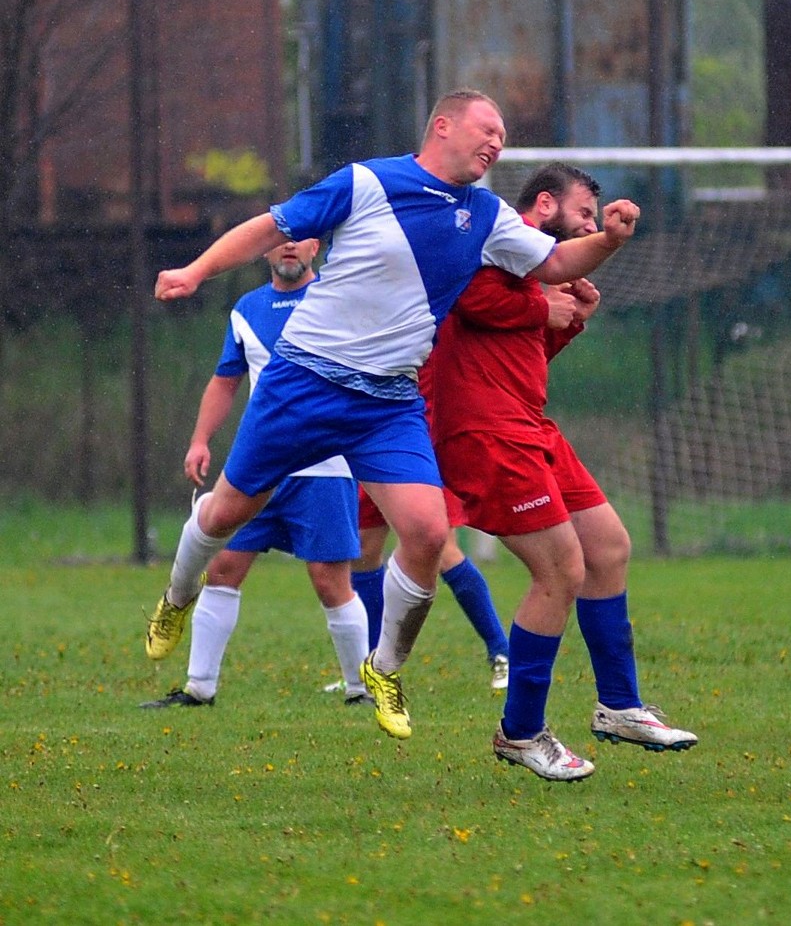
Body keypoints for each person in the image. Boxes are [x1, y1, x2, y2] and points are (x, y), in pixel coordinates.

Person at [146, 89, 640, 748]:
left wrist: (607, 239)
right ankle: (178, 596)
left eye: (503, 137)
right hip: (305, 383)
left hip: (387, 400)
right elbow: (271, 227)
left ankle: (384, 670)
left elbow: (554, 262)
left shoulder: (488, 215)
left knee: (429, 531)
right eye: (486, 129)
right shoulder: (369, 181)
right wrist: (197, 269)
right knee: (225, 513)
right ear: (442, 125)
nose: (497, 143)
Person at [429, 161, 697, 781]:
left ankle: (620, 707)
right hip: (487, 433)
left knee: (607, 548)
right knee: (559, 570)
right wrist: (553, 294)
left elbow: (522, 346)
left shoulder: (530, 278)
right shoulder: (493, 243)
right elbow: (470, 297)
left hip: (530, 426)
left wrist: (568, 319)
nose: (588, 230)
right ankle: (520, 732)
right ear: (544, 206)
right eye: (583, 217)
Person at [142, 239, 372, 707]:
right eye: (278, 240)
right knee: (224, 567)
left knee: (331, 580)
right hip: (262, 467)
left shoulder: (335, 298)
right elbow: (225, 381)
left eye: (299, 238)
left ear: (315, 247)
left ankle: (361, 690)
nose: (288, 246)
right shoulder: (248, 308)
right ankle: (198, 689)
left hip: (324, 468)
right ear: (264, 253)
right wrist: (200, 441)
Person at [354, 484, 510, 691]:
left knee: (443, 551)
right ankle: (373, 672)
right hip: (374, 459)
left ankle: (502, 653)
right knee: (364, 551)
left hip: (423, 459)